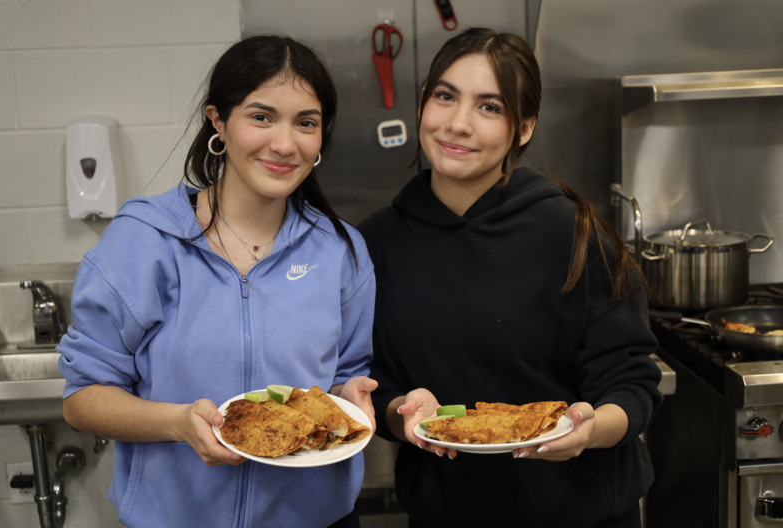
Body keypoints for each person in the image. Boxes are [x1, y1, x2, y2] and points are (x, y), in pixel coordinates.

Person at [58, 35, 377, 528]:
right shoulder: (145, 241)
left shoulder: (342, 251)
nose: (285, 144)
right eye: (261, 116)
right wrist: (177, 423)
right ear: (218, 122)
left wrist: (353, 395)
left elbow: (344, 376)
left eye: (306, 123)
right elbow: (83, 398)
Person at [358, 27, 662, 528]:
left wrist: (588, 429)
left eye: (490, 107)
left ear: (523, 128)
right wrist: (400, 413)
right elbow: (380, 386)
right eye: (445, 96)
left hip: (584, 513)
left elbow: (631, 384)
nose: (458, 124)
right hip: (448, 514)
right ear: (422, 104)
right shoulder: (374, 246)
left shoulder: (576, 233)